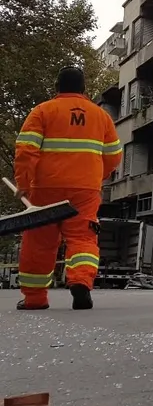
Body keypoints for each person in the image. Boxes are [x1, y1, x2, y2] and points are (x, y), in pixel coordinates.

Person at [13, 66, 122, 311]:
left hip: (45, 188)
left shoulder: (43, 111)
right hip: (85, 189)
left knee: (39, 241)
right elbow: (114, 156)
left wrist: (23, 182)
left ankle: (35, 298)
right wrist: (98, 177)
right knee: (83, 237)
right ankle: (81, 282)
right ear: (83, 89)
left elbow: (25, 150)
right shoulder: (101, 116)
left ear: (56, 88)